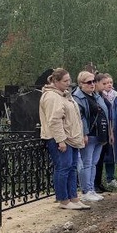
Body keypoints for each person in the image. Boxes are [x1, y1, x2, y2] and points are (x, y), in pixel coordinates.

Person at [39, 69, 88, 210]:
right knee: (63, 167)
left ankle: (73, 197)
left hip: (70, 137)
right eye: (65, 81)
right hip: (59, 139)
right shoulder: (52, 97)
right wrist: (60, 140)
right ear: (55, 81)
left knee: (72, 167)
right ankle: (63, 200)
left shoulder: (65, 95)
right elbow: (54, 120)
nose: (68, 83)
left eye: (69, 80)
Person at [73, 71, 109, 203]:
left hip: (100, 134)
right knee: (86, 163)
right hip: (89, 134)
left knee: (94, 163)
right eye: (89, 82)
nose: (92, 84)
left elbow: (104, 113)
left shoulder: (96, 96)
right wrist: (84, 133)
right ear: (81, 84)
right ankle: (85, 190)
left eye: (93, 81)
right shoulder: (78, 98)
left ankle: (91, 188)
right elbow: (80, 118)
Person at [96, 73, 117, 190]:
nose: (109, 85)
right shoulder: (100, 97)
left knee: (112, 154)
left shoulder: (116, 96)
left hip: (115, 128)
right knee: (103, 154)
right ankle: (98, 179)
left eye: (110, 82)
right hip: (105, 128)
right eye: (105, 83)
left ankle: (111, 178)